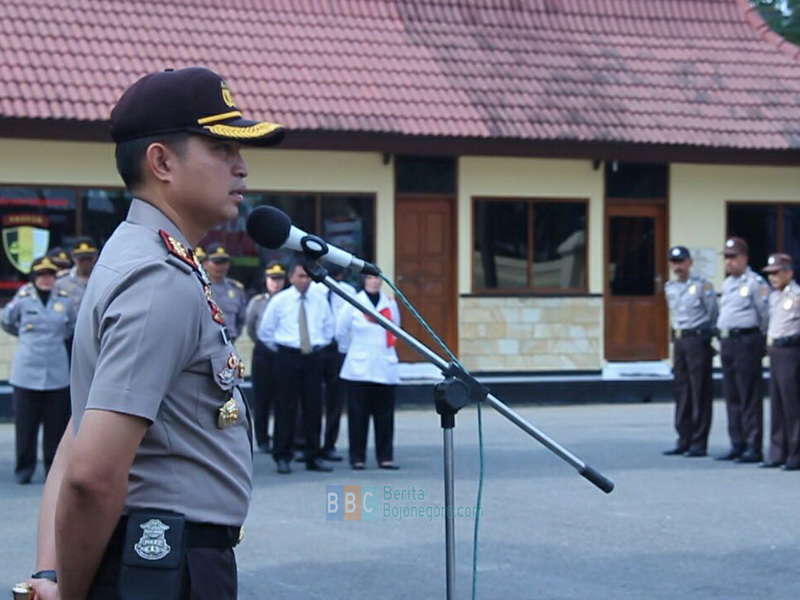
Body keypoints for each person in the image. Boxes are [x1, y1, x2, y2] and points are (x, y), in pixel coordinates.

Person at [25, 66, 285, 599]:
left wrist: (52, 574)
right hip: (164, 565)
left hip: (154, 558)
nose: (242, 166)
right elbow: (90, 474)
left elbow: (76, 437)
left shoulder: (142, 257)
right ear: (162, 162)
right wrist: (69, 592)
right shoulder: (158, 281)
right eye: (220, 148)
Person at [1, 256, 76, 484]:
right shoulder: (23, 298)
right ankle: (24, 468)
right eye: (41, 275)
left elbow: (71, 327)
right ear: (34, 278)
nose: (46, 279)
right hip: (27, 372)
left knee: (55, 427)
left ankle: (52, 470)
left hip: (56, 372)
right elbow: (7, 321)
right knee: (26, 426)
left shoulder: (64, 300)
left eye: (50, 275)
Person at [258, 261, 334, 474]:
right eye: (301, 276)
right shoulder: (280, 300)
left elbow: (329, 328)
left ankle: (313, 455)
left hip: (313, 357)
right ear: (291, 278)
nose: (305, 280)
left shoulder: (319, 300)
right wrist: (286, 349)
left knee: (314, 408)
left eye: (308, 276)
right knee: (285, 408)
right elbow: (266, 332)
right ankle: (282, 455)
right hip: (287, 357)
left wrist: (317, 345)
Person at [336, 274, 401, 470]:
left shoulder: (389, 303)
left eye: (377, 278)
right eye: (371, 278)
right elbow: (340, 332)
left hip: (384, 364)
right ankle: (357, 457)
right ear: (364, 280)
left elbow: (396, 328)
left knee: (385, 416)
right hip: (359, 367)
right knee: (358, 416)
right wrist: (353, 351)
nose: (374, 281)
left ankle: (385, 457)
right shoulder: (354, 302)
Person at [715, 237, 770, 463]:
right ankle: (736, 443)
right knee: (732, 395)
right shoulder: (728, 283)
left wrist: (761, 341)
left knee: (749, 396)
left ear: (744, 258)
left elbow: (765, 315)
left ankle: (752, 446)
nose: (729, 262)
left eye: (733, 257)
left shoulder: (756, 282)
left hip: (747, 341)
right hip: (728, 343)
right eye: (726, 257)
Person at [663, 246, 718, 457]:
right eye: (674, 262)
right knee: (681, 391)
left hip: (698, 339)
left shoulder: (703, 286)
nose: (678, 266)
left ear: (690, 262)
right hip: (680, 340)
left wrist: (706, 336)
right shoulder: (670, 287)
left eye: (681, 262)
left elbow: (713, 313)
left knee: (699, 391)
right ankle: (683, 439)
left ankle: (699, 442)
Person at [313, 265, 356, 462]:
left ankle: (329, 444)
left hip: (339, 351)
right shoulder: (314, 290)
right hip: (316, 349)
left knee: (335, 401)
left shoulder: (349, 291)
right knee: (310, 400)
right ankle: (308, 444)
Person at [761, 253, 800, 471]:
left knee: (792, 405)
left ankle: (795, 454)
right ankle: (778, 452)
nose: (772, 277)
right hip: (775, 351)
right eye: (769, 273)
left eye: (776, 273)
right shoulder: (774, 296)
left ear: (789, 272)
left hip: (791, 351)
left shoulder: (797, 295)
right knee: (776, 403)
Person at [244, 261, 287, 452]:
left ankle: (282, 438)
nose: (276, 283)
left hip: (284, 353)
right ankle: (262, 439)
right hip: (263, 354)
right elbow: (251, 327)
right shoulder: (257, 302)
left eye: (279, 279)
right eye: (272, 279)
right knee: (262, 399)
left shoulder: (289, 300)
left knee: (283, 399)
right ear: (266, 280)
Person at [202, 242, 247, 342]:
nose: (221, 266)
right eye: (217, 262)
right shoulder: (199, 287)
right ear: (205, 264)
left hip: (229, 342)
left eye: (224, 262)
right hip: (204, 343)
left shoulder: (236, 289)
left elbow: (241, 319)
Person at [52, 237, 98, 313]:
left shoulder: (103, 280)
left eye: (89, 258)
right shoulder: (61, 283)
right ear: (73, 257)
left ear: (96, 256)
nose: (85, 262)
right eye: (81, 258)